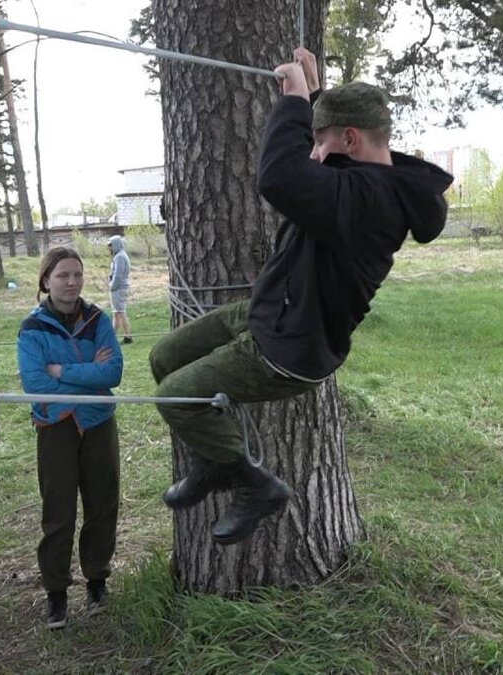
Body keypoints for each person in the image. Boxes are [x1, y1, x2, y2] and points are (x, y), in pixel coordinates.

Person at [149, 48, 451, 545]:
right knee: (165, 357)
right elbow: (312, 175)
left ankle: (255, 486)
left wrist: (292, 100)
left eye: (319, 141)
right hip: (270, 313)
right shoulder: (358, 183)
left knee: (175, 397)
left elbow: (279, 177)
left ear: (349, 140)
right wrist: (310, 98)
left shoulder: (370, 200)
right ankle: (216, 463)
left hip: (289, 348)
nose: (313, 152)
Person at [17, 247, 123, 631]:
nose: (71, 281)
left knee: (102, 504)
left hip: (98, 422)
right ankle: (56, 592)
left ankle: (97, 580)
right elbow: (36, 382)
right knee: (58, 511)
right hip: (56, 426)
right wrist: (84, 373)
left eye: (77, 274)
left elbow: (112, 373)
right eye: (62, 275)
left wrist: (61, 369)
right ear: (46, 280)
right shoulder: (33, 328)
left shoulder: (97, 319)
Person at [107, 235, 132, 344]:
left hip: (119, 288)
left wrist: (112, 286)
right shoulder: (118, 256)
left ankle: (128, 336)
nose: (109, 248)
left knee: (121, 312)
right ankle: (111, 337)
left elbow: (118, 274)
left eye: (110, 245)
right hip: (118, 287)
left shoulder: (120, 257)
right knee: (116, 313)